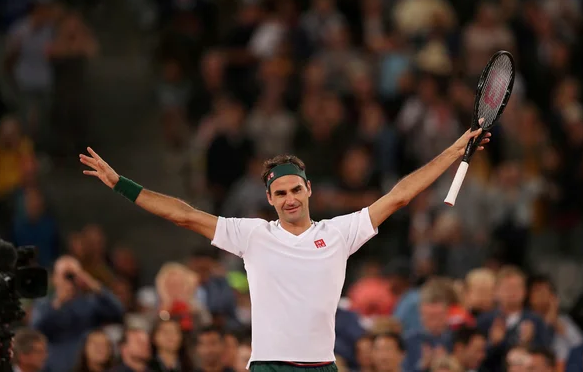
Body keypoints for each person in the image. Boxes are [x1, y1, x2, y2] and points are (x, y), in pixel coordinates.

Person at [79, 124, 490, 372]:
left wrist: (454, 152)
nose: (290, 198)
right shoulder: (253, 235)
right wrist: (122, 185)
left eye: (296, 189)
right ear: (270, 198)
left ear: (309, 189)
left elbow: (399, 196)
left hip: (323, 366)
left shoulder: (341, 231)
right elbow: (184, 215)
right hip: (268, 367)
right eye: (281, 193)